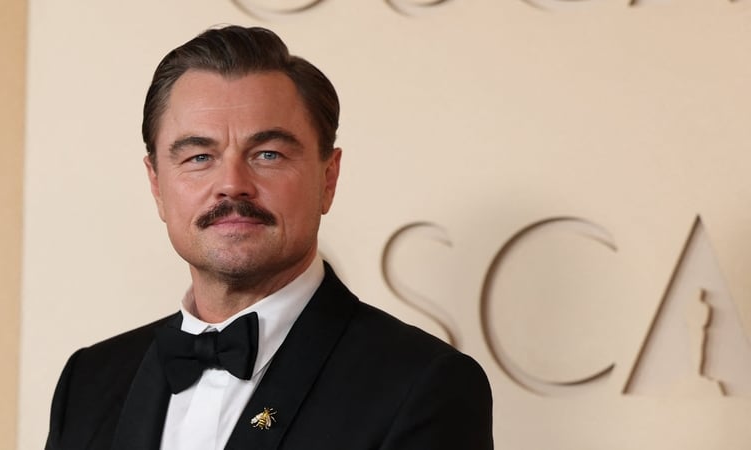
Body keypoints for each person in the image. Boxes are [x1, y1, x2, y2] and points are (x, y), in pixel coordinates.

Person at [45, 25, 493, 450]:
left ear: (328, 178)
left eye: (268, 154)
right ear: (157, 185)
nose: (232, 184)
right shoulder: (88, 381)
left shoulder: (423, 384)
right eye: (200, 156)